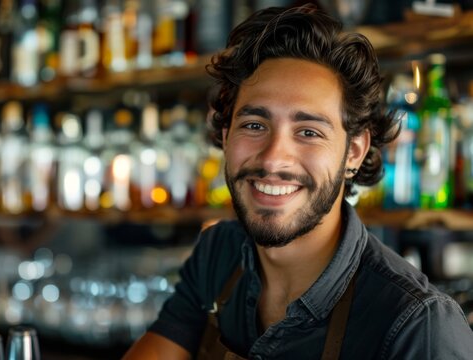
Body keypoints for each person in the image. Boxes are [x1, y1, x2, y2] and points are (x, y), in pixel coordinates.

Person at [123, 5, 473, 360]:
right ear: (226, 137)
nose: (274, 158)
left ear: (353, 151)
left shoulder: (417, 325)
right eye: (255, 125)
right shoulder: (219, 253)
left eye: (308, 132)